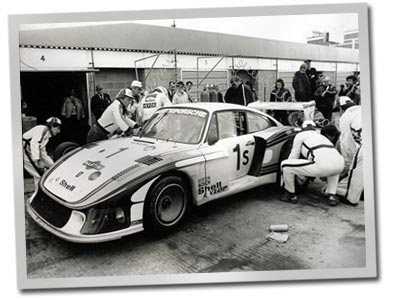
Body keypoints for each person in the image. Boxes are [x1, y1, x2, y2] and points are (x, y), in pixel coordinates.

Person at [280, 120, 344, 206]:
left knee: (285, 165)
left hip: (322, 166)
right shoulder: (321, 136)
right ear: (313, 128)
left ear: (302, 128)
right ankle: (332, 195)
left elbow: (293, 156)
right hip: (340, 164)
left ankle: (290, 195)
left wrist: (297, 174)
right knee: (333, 167)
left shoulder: (300, 135)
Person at [335, 96, 363, 205]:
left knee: (357, 168)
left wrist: (346, 166)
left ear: (341, 109)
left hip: (365, 144)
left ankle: (351, 198)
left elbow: (347, 143)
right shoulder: (361, 108)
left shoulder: (346, 116)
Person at [23, 117, 62, 188]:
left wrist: (52, 165)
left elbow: (42, 152)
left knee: (38, 173)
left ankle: (38, 193)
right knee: (38, 174)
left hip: (28, 151)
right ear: (53, 126)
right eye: (58, 128)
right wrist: (37, 160)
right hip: (23, 150)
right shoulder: (43, 129)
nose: (59, 131)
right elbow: (34, 143)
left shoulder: (46, 135)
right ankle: (38, 196)